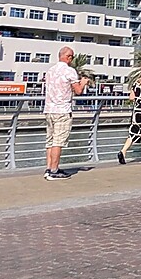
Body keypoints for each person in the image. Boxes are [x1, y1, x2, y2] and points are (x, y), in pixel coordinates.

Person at [43, 46, 92, 180]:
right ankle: (54, 171)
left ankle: (49, 168)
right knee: (58, 141)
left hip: (49, 109)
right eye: (72, 57)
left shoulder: (50, 70)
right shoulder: (70, 71)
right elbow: (78, 91)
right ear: (68, 57)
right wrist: (83, 82)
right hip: (62, 110)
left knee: (50, 141)